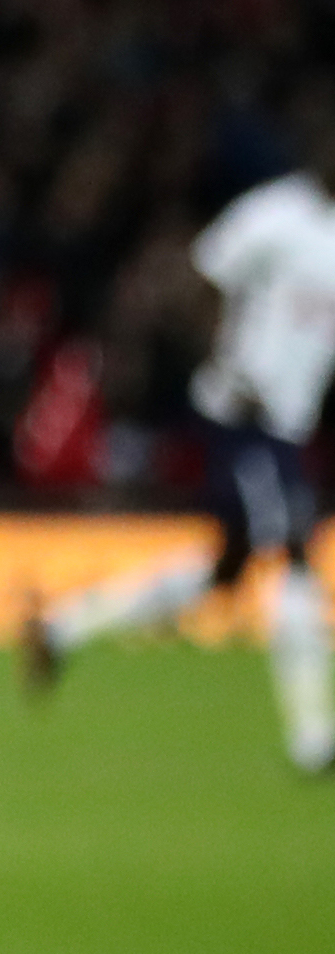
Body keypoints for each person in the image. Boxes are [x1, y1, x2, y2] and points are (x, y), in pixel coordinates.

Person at [22, 157, 335, 770]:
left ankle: (63, 627)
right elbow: (198, 277)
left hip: (288, 424)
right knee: (295, 548)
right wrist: (225, 360)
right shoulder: (278, 213)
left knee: (230, 570)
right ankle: (314, 739)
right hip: (244, 412)